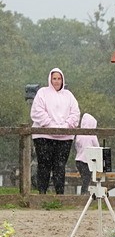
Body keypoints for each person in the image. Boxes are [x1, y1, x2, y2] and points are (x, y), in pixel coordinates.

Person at [30, 67, 81, 195]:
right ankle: (42, 193)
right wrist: (50, 124)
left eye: (59, 78)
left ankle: (60, 195)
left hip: (64, 137)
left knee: (60, 166)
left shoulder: (69, 96)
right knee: (44, 164)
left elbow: (75, 113)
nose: (56, 81)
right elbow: (37, 111)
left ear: (62, 80)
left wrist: (66, 126)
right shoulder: (42, 93)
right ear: (50, 79)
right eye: (54, 78)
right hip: (43, 136)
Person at [74, 113, 101, 187]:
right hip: (87, 161)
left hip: (78, 160)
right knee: (87, 179)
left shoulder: (79, 135)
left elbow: (77, 146)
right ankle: (84, 194)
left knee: (84, 178)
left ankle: (84, 193)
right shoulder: (92, 135)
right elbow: (97, 147)